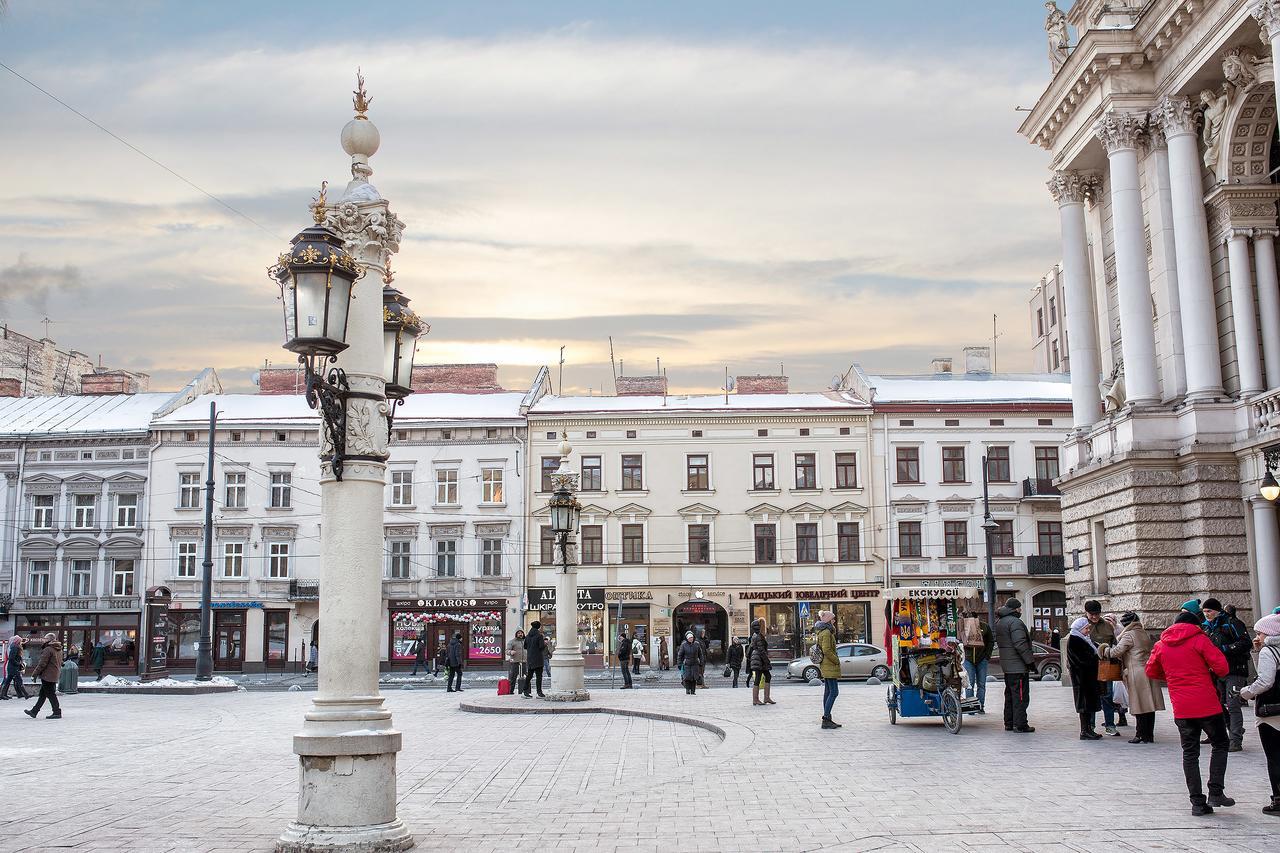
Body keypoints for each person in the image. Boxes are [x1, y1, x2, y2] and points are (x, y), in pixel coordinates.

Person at [1146, 606, 1235, 816]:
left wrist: (1171, 675)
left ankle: (1197, 802)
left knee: (1190, 753)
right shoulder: (1200, 639)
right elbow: (1222, 668)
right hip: (1207, 704)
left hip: (1182, 708)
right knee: (1221, 744)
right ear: (1195, 625)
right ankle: (1216, 792)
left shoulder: (1161, 644)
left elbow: (1151, 670)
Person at [1100, 612, 1164, 744]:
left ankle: (1140, 734)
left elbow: (1116, 652)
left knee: (1139, 704)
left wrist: (1103, 649)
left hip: (1136, 672)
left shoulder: (1129, 635)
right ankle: (1148, 735)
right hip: (1147, 670)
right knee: (1149, 705)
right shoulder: (1142, 632)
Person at [1239, 612, 1280, 816]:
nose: (1257, 637)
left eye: (1259, 632)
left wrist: (1246, 693)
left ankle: (1278, 800)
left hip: (1271, 710)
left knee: (1274, 756)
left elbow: (1265, 681)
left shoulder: (1269, 652)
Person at [1203, 597, 1251, 752]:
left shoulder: (1232, 623)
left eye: (1209, 611)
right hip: (1218, 671)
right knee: (1218, 704)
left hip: (1235, 669)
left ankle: (1235, 740)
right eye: (1204, 611)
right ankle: (1233, 729)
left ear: (1217, 611)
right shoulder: (1208, 627)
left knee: (1233, 704)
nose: (1206, 614)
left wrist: (1224, 649)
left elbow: (1245, 643)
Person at [993, 598, 1035, 733]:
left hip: (1008, 666)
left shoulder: (1000, 621)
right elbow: (1020, 644)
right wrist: (1030, 662)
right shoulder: (1015, 622)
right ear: (1015, 609)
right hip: (1018, 666)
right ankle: (1020, 724)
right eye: (1019, 608)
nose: (1021, 610)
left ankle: (1009, 722)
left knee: (1010, 695)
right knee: (1021, 696)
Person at [1084, 600, 1119, 735]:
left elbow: (1114, 643)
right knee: (1091, 696)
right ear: (1086, 613)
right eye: (1091, 614)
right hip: (1089, 666)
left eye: (1097, 614)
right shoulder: (1082, 625)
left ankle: (1110, 725)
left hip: (1105, 664)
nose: (1094, 616)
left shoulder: (1107, 626)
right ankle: (1090, 726)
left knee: (1107, 695)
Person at [1067, 617, 1104, 740]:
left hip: (1087, 678)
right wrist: (1095, 659)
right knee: (1084, 705)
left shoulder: (1082, 639)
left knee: (1087, 705)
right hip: (1082, 678)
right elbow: (1081, 660)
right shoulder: (1075, 640)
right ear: (1080, 629)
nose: (1088, 630)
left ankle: (1088, 729)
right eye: (1086, 628)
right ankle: (1085, 731)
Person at [23, 633, 62, 720]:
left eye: (45, 638)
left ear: (50, 640)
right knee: (43, 694)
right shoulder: (58, 649)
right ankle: (34, 711)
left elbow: (42, 664)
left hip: (47, 675)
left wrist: (34, 674)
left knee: (51, 694)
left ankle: (57, 712)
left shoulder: (48, 649)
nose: (43, 640)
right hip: (53, 674)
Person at [961, 611, 994, 713]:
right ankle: (970, 707)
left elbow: (990, 641)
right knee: (969, 684)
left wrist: (987, 656)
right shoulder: (963, 627)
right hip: (968, 659)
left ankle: (980, 706)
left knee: (981, 684)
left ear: (977, 618)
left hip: (981, 659)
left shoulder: (984, 626)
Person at [814, 610, 841, 729]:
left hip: (826, 665)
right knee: (834, 692)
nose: (834, 621)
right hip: (829, 664)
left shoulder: (824, 632)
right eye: (833, 619)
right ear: (828, 621)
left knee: (828, 692)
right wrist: (836, 660)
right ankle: (826, 719)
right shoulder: (826, 633)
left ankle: (828, 718)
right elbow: (826, 650)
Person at [748, 618, 774, 706]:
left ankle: (766, 698)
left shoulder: (755, 635)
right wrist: (767, 661)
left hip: (757, 658)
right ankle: (756, 699)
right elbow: (761, 650)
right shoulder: (759, 636)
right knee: (758, 678)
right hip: (759, 659)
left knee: (767, 676)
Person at [0, 635, 29, 701]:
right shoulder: (14, 647)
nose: (21, 642)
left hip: (12, 667)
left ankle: (3, 695)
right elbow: (11, 658)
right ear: (18, 641)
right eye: (20, 641)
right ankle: (25, 694)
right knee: (18, 680)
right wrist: (18, 663)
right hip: (13, 667)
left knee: (8, 681)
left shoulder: (13, 646)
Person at [522, 621, 547, 698]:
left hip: (530, 658)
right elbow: (541, 647)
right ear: (538, 627)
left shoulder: (527, 636)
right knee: (539, 676)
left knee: (529, 676)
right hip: (538, 658)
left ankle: (525, 692)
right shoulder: (539, 636)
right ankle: (539, 693)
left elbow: (525, 647)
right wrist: (545, 644)